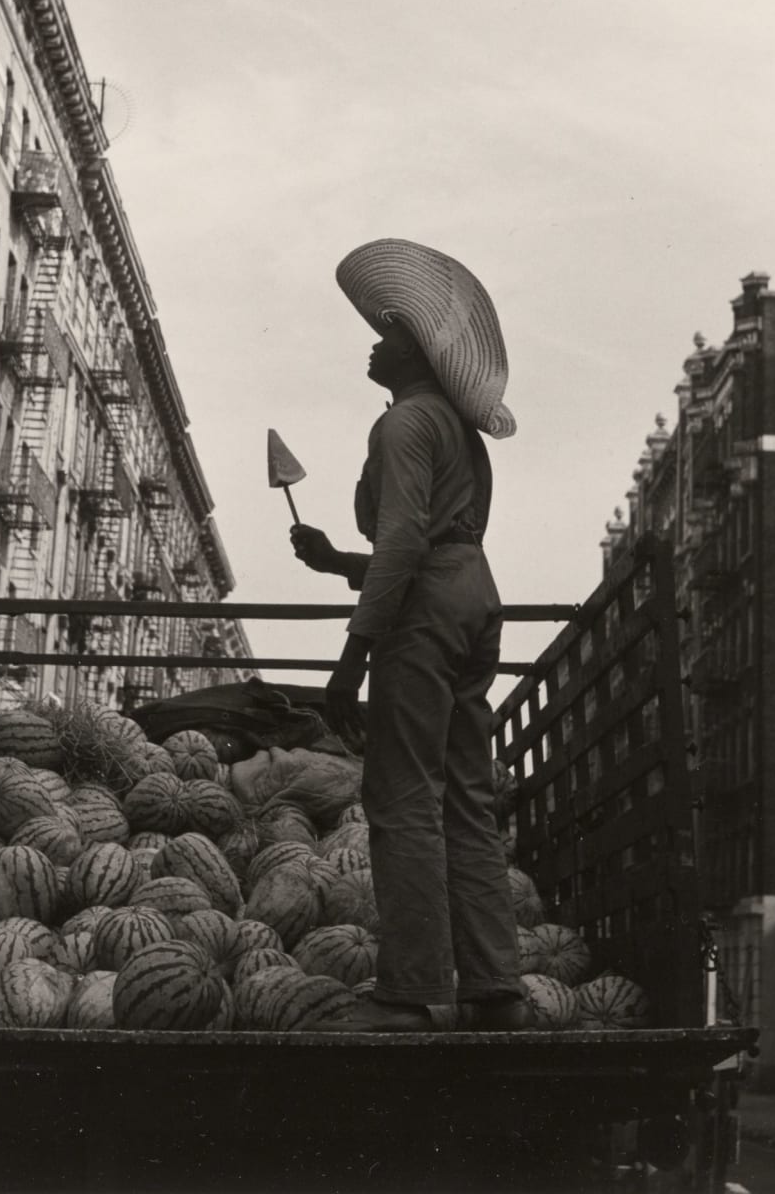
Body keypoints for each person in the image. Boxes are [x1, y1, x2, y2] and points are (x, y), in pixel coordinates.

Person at [289, 238, 524, 1034]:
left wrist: (351, 660)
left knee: (402, 799)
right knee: (467, 800)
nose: (375, 342)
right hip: (474, 597)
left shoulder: (401, 427)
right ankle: (495, 987)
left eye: (390, 333)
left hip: (424, 612)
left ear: (417, 351)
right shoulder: (458, 433)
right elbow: (437, 544)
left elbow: (403, 549)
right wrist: (336, 564)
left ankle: (412, 992)